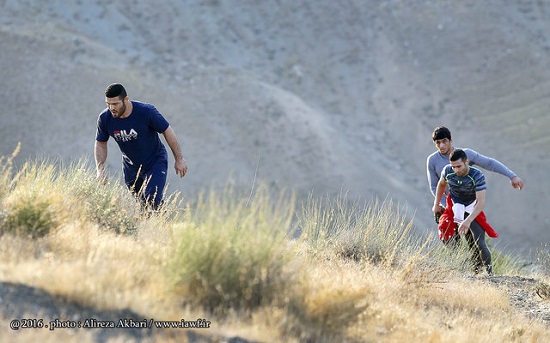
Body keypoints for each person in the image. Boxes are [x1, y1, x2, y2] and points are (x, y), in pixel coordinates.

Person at [94, 83, 187, 210]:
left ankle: (161, 220)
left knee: (151, 197)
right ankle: (153, 222)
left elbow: (167, 130)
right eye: (108, 104)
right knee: (142, 204)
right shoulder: (105, 118)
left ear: (126, 99)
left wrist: (179, 159)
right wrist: (100, 169)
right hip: (130, 166)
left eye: (115, 104)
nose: (111, 108)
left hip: (155, 161)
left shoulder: (146, 112)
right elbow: (101, 143)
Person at [427, 126, 524, 221]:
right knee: (449, 234)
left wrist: (512, 176)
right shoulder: (432, 160)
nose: (441, 146)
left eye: (444, 141)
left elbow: (490, 163)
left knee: (476, 234)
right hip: (449, 206)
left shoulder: (466, 154)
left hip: (470, 204)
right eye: (438, 143)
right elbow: (434, 186)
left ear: (450, 140)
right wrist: (447, 205)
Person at [432, 149, 494, 275]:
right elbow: (441, 184)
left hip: (472, 208)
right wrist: (436, 204)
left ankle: (490, 275)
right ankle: (459, 262)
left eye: (459, 166)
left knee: (479, 242)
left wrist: (468, 221)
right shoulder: (448, 170)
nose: (456, 170)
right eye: (454, 167)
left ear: (466, 162)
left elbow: (481, 203)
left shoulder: (477, 175)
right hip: (454, 206)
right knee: (444, 230)